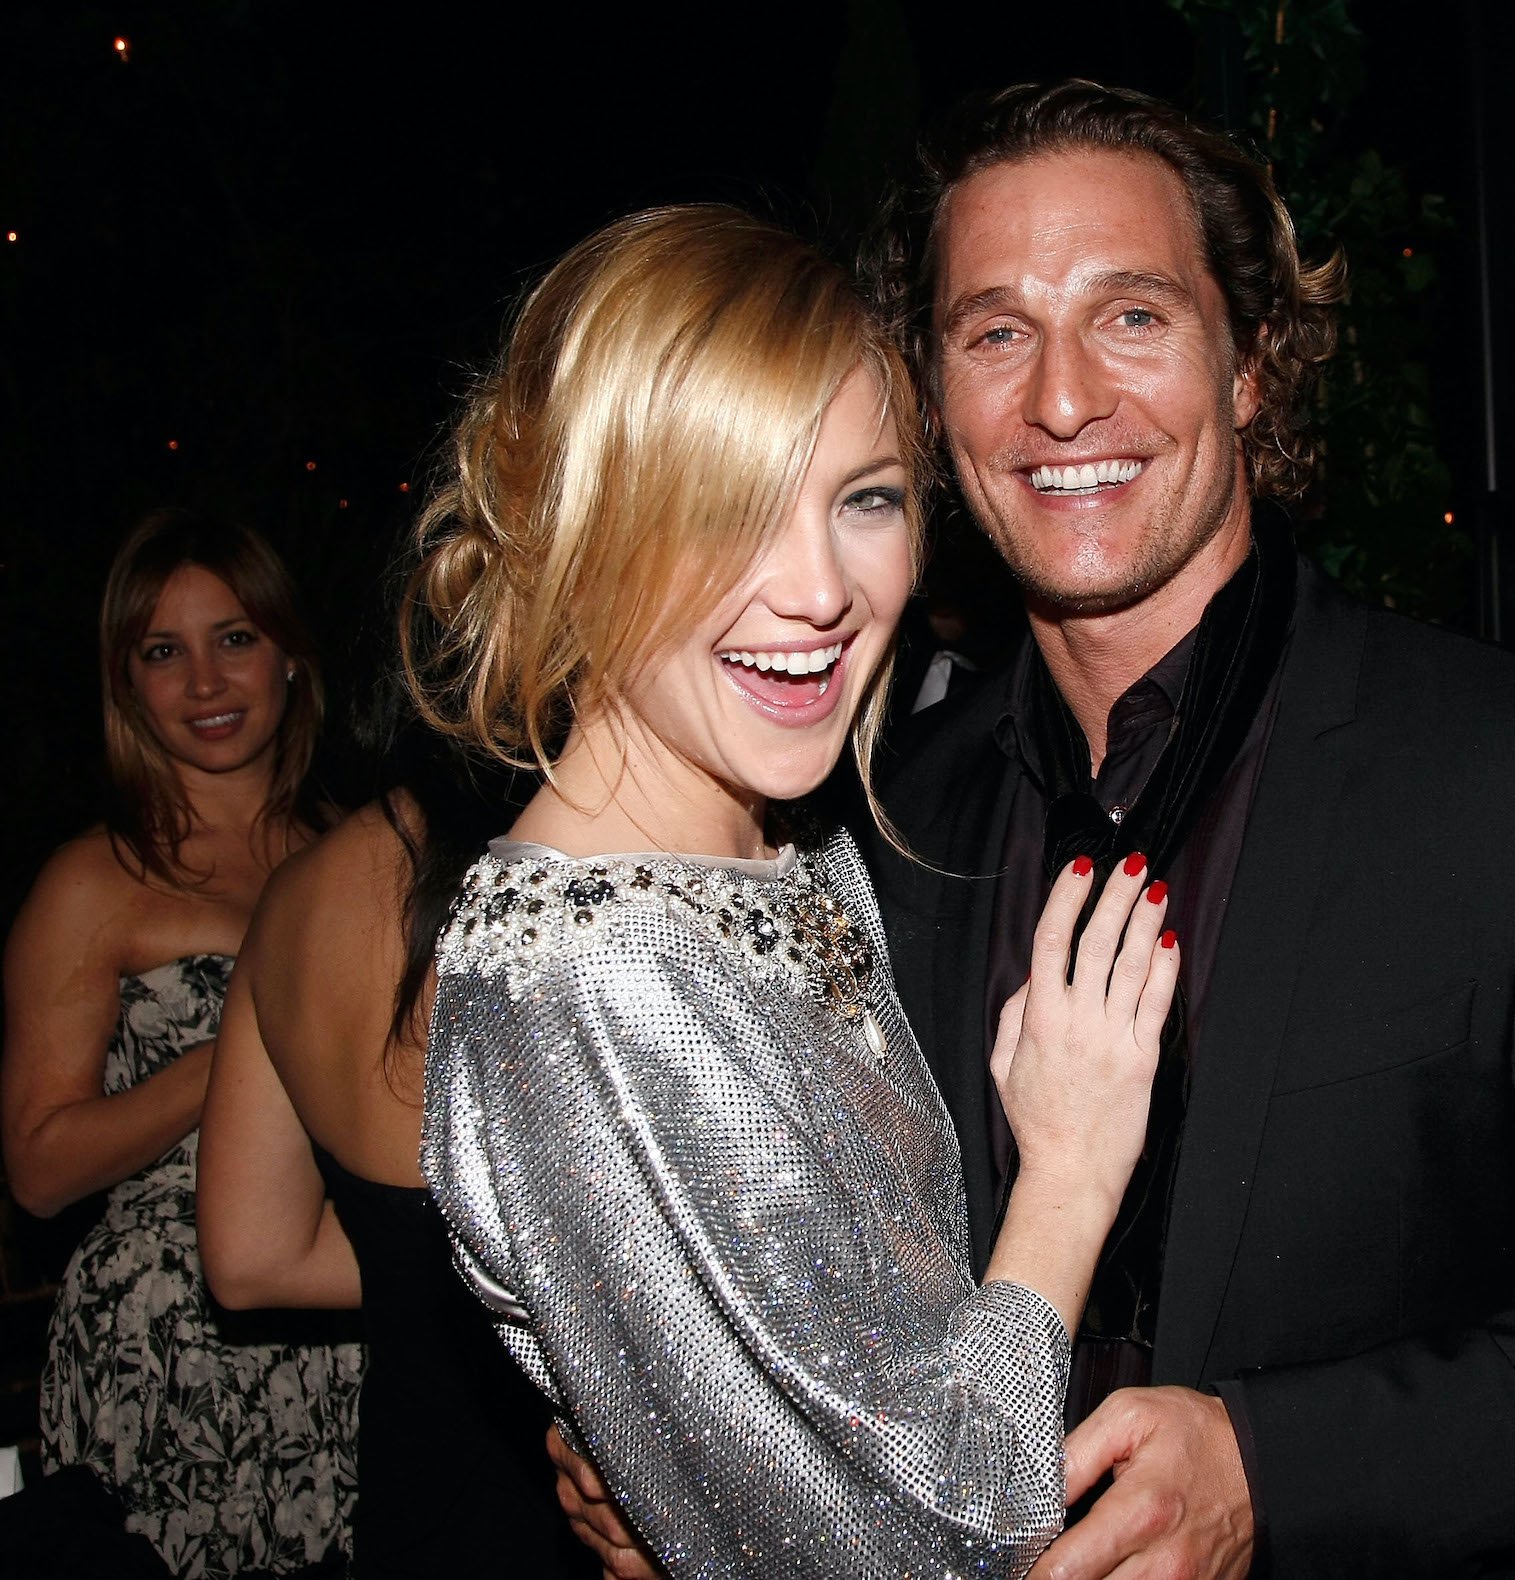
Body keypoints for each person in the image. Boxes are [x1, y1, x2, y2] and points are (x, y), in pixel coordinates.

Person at [555, 81, 1515, 1580]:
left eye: (1131, 316)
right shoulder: (879, 814)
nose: (1061, 400)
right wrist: (705, 1443)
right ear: (932, 406)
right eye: (994, 334)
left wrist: (1272, 1474)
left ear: (1250, 364)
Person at [408, 204, 1183, 1578]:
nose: (819, 591)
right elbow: (919, 1546)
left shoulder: (790, 841)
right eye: (724, 511)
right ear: (578, 528)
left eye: (864, 498)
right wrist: (1067, 1176)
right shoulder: (594, 976)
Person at [1, 510, 362, 1577]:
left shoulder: (363, 854)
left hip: (347, 1310)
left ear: (290, 654)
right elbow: (39, 1168)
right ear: (127, 685)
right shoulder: (95, 880)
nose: (205, 681)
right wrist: (237, 1056)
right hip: (167, 1338)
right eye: (163, 651)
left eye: (234, 638)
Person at [195, 692, 593, 1578]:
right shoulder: (609, 876)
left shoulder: (300, 893)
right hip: (591, 1510)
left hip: (415, 1504)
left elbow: (252, 1257)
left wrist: (423, 1266)